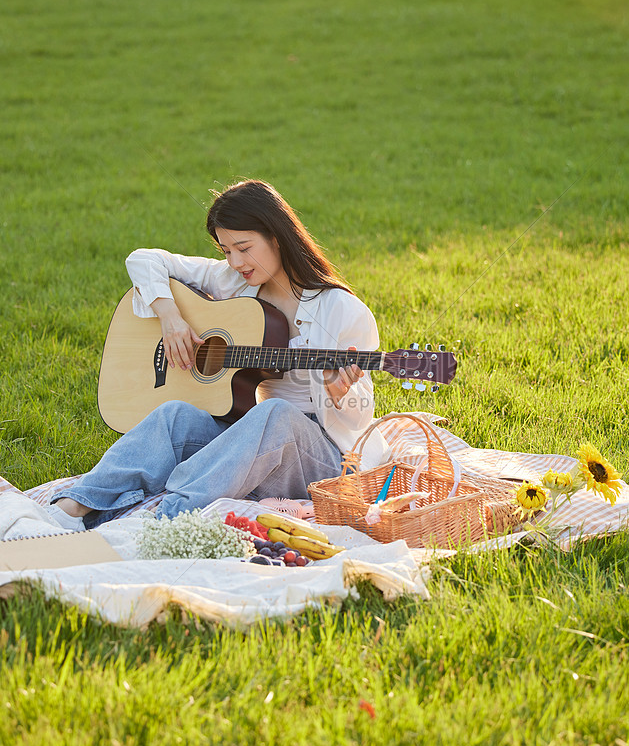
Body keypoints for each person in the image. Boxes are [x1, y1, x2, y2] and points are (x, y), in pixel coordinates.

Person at [50, 179, 388, 530]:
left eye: (243, 248)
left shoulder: (344, 311)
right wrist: (170, 317)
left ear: (276, 236)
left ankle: (167, 519)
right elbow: (144, 259)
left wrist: (339, 393)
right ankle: (74, 506)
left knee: (276, 413)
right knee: (174, 415)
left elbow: (359, 422)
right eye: (226, 250)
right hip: (252, 439)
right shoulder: (237, 283)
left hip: (325, 460)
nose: (235, 261)